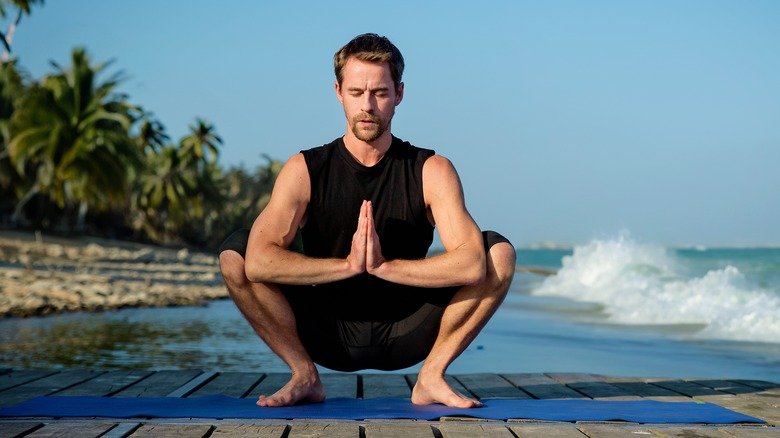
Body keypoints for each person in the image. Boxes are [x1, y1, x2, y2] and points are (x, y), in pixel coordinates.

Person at [218, 33, 516, 408]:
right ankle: (304, 374)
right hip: (325, 334)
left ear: (400, 94)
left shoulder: (431, 170)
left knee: (498, 254)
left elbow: (472, 263)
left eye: (380, 92)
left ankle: (431, 377)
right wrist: (347, 266)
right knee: (236, 256)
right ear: (338, 91)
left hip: (410, 329)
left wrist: (383, 267)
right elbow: (260, 261)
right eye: (357, 92)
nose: (368, 106)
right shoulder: (305, 170)